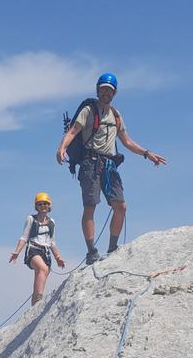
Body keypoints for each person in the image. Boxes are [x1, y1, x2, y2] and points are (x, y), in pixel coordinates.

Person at [56, 72, 167, 264]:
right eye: (103, 89)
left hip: (109, 165)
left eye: (110, 90)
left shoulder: (116, 115)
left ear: (114, 93)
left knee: (120, 207)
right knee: (90, 206)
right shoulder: (88, 111)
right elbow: (73, 131)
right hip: (90, 163)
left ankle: (112, 248)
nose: (106, 92)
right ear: (97, 90)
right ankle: (91, 252)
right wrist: (62, 147)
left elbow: (126, 141)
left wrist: (147, 153)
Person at [9, 192, 65, 305]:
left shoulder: (52, 222)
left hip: (46, 252)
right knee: (43, 269)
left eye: (45, 203)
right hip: (33, 249)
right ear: (36, 206)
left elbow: (52, 242)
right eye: (40, 204)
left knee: (41, 277)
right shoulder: (31, 219)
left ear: (49, 205)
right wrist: (17, 252)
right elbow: (24, 237)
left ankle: (35, 306)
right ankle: (40, 298)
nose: (43, 206)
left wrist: (58, 258)